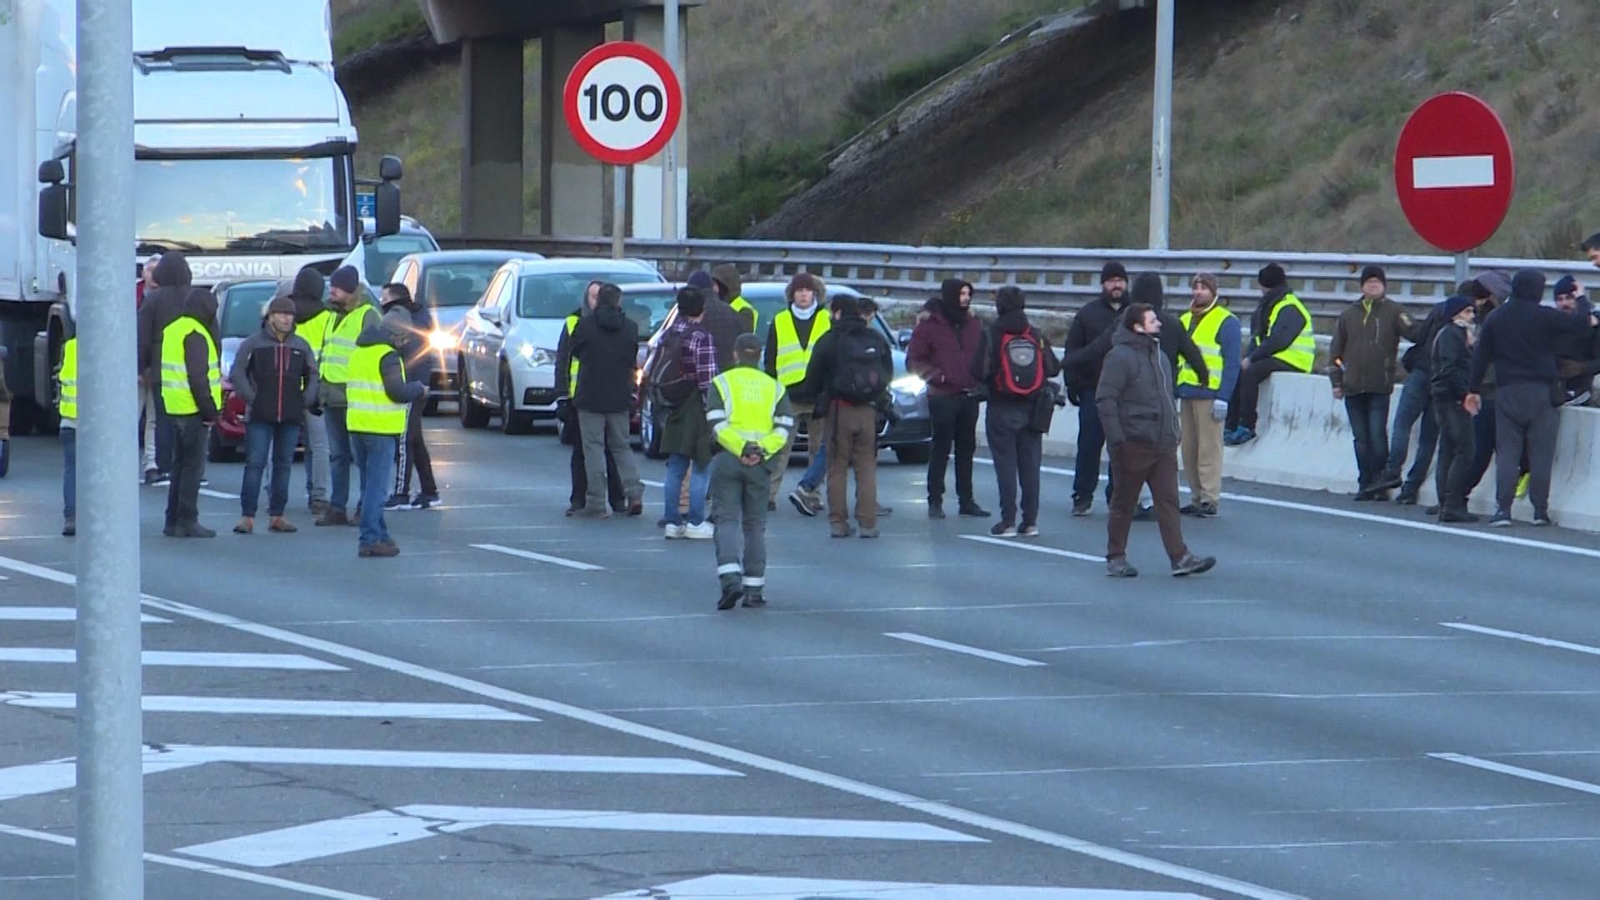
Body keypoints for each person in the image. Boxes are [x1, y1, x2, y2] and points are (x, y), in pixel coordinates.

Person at [1468, 269, 1596, 526]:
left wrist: (1471, 390)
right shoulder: (1544, 316)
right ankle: (1540, 511)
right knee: (1541, 453)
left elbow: (1481, 356)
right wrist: (1581, 298)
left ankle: (1503, 510)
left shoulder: (1496, 318)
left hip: (1507, 392)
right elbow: (1581, 326)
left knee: (1507, 453)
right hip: (1541, 392)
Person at [1096, 303, 1216, 578]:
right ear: (1137, 326)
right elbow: (1105, 399)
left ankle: (1180, 557)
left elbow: (1165, 396)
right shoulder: (1119, 357)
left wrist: (1173, 428)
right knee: (1124, 503)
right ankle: (1116, 557)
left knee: (1168, 500)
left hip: (1161, 443)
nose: (1158, 323)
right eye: (1152, 320)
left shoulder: (1159, 355)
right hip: (1132, 443)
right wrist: (1118, 441)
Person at [706, 334, 794, 610]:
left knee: (726, 520)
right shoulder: (775, 387)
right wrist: (760, 451)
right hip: (761, 464)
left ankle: (730, 579)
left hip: (728, 459)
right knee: (755, 525)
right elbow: (784, 428)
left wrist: (742, 448)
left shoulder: (721, 383)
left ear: (735, 354)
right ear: (759, 355)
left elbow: (716, 424)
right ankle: (754, 590)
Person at [969, 286, 1060, 537]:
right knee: (1031, 466)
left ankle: (1007, 520)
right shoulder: (1035, 334)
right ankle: (1030, 522)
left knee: (1005, 466)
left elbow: (978, 371)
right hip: (1033, 409)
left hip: (1001, 407)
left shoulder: (991, 334)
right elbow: (1053, 368)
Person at [803, 292, 894, 538]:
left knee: (837, 466)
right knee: (866, 467)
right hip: (868, 410)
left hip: (838, 409)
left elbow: (812, 377)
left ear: (837, 313)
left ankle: (838, 522)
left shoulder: (830, 340)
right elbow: (887, 373)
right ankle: (868, 523)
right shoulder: (874, 338)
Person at [1328, 265, 1422, 499]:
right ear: (1362, 286)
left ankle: (1380, 483)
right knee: (1360, 439)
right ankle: (1365, 481)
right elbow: (1336, 350)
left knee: (1378, 436)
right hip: (1352, 386)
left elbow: (1416, 333)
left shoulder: (1394, 311)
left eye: (1377, 282)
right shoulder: (1349, 314)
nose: (1373, 286)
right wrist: (1336, 381)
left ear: (1384, 286)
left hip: (1380, 385)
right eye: (1369, 282)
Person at [230, 295, 317, 535]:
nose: (286, 319)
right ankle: (247, 516)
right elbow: (237, 374)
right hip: (259, 415)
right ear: (270, 317)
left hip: (289, 416)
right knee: (255, 463)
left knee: (284, 465)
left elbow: (313, 375)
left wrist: (304, 400)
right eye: (281, 314)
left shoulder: (301, 345)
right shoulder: (253, 344)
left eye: (290, 315)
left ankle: (277, 515)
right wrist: (253, 399)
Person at [347, 307, 426, 557]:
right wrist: (418, 388)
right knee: (377, 489)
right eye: (404, 339)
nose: (404, 344)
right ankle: (369, 538)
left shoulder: (359, 351)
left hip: (357, 425)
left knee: (369, 486)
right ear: (395, 335)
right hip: (379, 428)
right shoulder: (388, 356)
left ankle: (381, 534)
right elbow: (396, 392)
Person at [907, 278, 989, 519]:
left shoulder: (974, 325)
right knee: (941, 449)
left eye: (968, 294)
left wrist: (981, 378)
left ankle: (966, 500)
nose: (965, 298)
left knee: (966, 450)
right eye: (962, 294)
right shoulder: (929, 326)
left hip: (969, 395)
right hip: (942, 396)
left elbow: (983, 354)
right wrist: (938, 377)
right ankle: (935, 500)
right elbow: (914, 360)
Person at [570, 282, 645, 518]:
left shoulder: (584, 326)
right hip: (619, 396)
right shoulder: (630, 328)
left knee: (593, 449)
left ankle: (596, 502)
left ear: (598, 300)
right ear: (618, 301)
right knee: (622, 447)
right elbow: (632, 357)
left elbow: (575, 351)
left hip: (590, 396)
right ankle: (633, 493)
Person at [1061, 263, 1129, 516]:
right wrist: (1072, 383)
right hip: (1094, 390)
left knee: (1121, 448)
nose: (1117, 285)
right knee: (1089, 445)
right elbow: (1073, 350)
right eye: (1111, 280)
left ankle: (1118, 496)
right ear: (1103, 284)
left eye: (1120, 280)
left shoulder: (1136, 313)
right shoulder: (1087, 314)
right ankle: (1082, 495)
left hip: (1126, 393)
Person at [315, 265, 380, 528]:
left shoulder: (367, 315)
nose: (332, 291)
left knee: (360, 456)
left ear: (351, 290)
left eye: (338, 287)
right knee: (338, 455)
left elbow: (375, 354)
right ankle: (338, 507)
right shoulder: (331, 316)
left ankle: (364, 506)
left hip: (356, 396)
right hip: (333, 396)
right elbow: (326, 353)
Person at [1226, 263, 1315, 446]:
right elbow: (1258, 338)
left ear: (1264, 286)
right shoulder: (1271, 305)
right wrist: (1249, 356)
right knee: (1240, 371)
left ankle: (1247, 425)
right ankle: (1230, 425)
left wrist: (1252, 358)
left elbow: (1277, 341)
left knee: (1251, 372)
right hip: (1280, 356)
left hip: (1296, 360)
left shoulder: (1289, 307)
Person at [557, 280, 626, 516]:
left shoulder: (615, 322)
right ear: (586, 298)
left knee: (610, 450)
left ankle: (618, 499)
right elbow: (563, 361)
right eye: (592, 296)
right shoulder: (574, 322)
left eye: (599, 296)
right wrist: (562, 396)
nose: (595, 301)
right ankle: (579, 499)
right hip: (580, 397)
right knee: (581, 452)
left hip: (600, 396)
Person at [763, 273, 830, 515]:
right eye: (799, 290)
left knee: (818, 448)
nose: (803, 294)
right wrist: (771, 389)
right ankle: (769, 495)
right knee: (780, 448)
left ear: (815, 293)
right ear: (792, 294)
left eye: (807, 290)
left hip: (818, 395)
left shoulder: (826, 318)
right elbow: (770, 358)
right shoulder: (780, 320)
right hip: (787, 394)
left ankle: (812, 494)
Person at [1175, 272, 1240, 517]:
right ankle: (1195, 496)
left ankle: (1209, 498)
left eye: (1203, 288)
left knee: (1209, 450)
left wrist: (1224, 397)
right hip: (1187, 393)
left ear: (1214, 291)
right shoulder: (1184, 320)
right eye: (1196, 287)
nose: (1198, 292)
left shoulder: (1226, 321)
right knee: (1189, 450)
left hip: (1210, 395)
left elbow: (1232, 363)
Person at [161, 287, 222, 538]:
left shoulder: (174, 328)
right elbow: (198, 377)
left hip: (175, 406)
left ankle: (172, 520)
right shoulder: (196, 333)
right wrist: (210, 411)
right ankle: (187, 519)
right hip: (193, 409)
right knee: (192, 468)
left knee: (179, 466)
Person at [657, 286, 717, 539]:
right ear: (702, 308)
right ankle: (695, 521)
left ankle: (672, 520)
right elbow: (708, 379)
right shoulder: (701, 337)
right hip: (696, 405)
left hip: (675, 403)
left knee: (676, 465)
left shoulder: (669, 333)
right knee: (701, 463)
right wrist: (713, 409)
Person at [379, 284, 440, 510]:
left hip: (411, 386)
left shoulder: (405, 323)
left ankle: (401, 493)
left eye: (384, 299)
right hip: (417, 384)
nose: (381, 303)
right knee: (415, 439)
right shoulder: (418, 319)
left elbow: (407, 359)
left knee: (403, 440)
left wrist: (406, 387)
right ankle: (429, 490)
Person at [136, 251, 194, 487]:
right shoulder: (195, 297)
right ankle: (188, 466)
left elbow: (143, 337)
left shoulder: (153, 300)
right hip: (191, 369)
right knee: (188, 420)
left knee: (158, 419)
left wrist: (142, 367)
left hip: (159, 370)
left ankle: (159, 465)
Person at [1430, 295, 1479, 524]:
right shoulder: (1452, 334)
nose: (1472, 316)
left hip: (1445, 397)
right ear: (1456, 314)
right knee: (1464, 450)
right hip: (1451, 399)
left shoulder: (1454, 334)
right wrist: (1465, 394)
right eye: (1468, 312)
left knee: (1449, 450)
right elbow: (1450, 369)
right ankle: (1451, 504)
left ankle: (1446, 503)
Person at [287, 267, 332, 514]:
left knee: (282, 445)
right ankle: (319, 495)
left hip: (287, 388)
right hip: (315, 389)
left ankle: (275, 493)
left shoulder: (286, 312)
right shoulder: (327, 316)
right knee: (319, 446)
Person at [1550, 275, 1600, 405]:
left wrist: (1581, 368)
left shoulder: (1594, 326)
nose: (1564, 303)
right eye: (1559, 299)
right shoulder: (1550, 324)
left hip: (1584, 390)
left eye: (1569, 298)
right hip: (1553, 389)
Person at [137, 253, 163, 483]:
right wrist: (137, 368)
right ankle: (121, 462)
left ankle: (151, 464)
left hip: (158, 370)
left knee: (153, 420)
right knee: (130, 416)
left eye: (157, 270)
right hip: (132, 371)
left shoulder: (169, 300)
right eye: (149, 270)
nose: (153, 275)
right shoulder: (130, 296)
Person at [56, 326, 77, 536]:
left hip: (69, 420)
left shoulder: (69, 347)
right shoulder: (106, 351)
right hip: (96, 428)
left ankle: (71, 518)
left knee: (72, 470)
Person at [712, 264, 758, 335]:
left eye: (716, 285)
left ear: (724, 287)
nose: (713, 288)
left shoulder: (744, 311)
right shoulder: (717, 306)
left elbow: (741, 339)